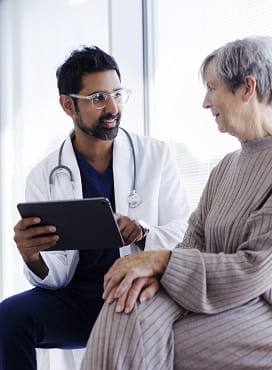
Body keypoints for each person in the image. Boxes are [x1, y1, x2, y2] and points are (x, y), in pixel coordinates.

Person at [80, 36, 272, 370]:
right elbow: (194, 243)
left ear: (247, 88)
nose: (205, 102)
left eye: (212, 87)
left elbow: (254, 268)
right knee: (124, 305)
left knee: (150, 341)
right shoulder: (226, 168)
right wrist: (154, 273)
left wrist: (160, 262)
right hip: (227, 301)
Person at [0, 46, 190, 370]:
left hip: (138, 291)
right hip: (78, 301)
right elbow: (55, 277)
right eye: (98, 98)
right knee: (9, 317)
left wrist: (144, 233)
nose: (113, 107)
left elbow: (185, 234)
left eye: (118, 94)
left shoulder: (156, 156)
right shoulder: (44, 175)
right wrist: (32, 257)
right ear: (67, 104)